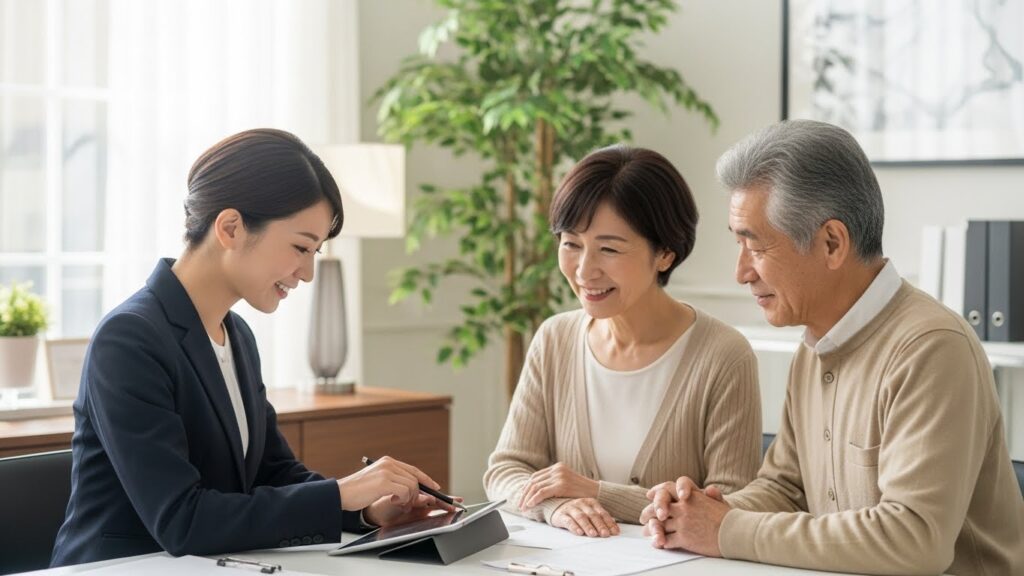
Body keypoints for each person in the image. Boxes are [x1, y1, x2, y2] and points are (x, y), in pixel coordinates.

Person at [51, 129, 453, 566]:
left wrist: (366, 508)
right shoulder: (129, 339)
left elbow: (273, 473)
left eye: (315, 252)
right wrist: (340, 494)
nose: (307, 273)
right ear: (230, 228)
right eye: (301, 247)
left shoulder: (236, 335)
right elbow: (182, 519)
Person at [641, 120, 1024, 575]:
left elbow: (915, 540)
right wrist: (696, 513)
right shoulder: (816, 345)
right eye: (737, 242)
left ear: (831, 242)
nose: (741, 272)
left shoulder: (932, 349)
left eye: (756, 246)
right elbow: (785, 489)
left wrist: (726, 530)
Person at [483, 145, 762, 538]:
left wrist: (597, 493)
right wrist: (557, 506)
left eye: (609, 249)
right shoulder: (555, 338)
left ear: (665, 253)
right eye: (571, 243)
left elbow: (731, 503)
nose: (584, 270)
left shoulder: (723, 355)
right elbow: (505, 470)